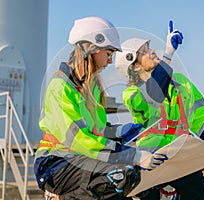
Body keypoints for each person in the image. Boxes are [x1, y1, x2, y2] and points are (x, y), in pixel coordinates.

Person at [33, 16, 168, 200]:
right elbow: (79, 140)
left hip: (82, 158)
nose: (110, 61)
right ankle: (59, 196)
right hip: (56, 164)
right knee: (121, 176)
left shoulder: (92, 88)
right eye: (109, 53)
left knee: (135, 178)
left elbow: (99, 130)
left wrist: (126, 131)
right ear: (91, 49)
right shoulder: (60, 87)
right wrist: (132, 155)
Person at [115, 21, 204, 200]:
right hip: (151, 159)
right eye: (144, 51)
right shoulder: (131, 95)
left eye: (149, 47)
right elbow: (153, 95)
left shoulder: (181, 82)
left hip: (182, 156)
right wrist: (168, 53)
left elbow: (201, 115)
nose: (152, 51)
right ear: (135, 66)